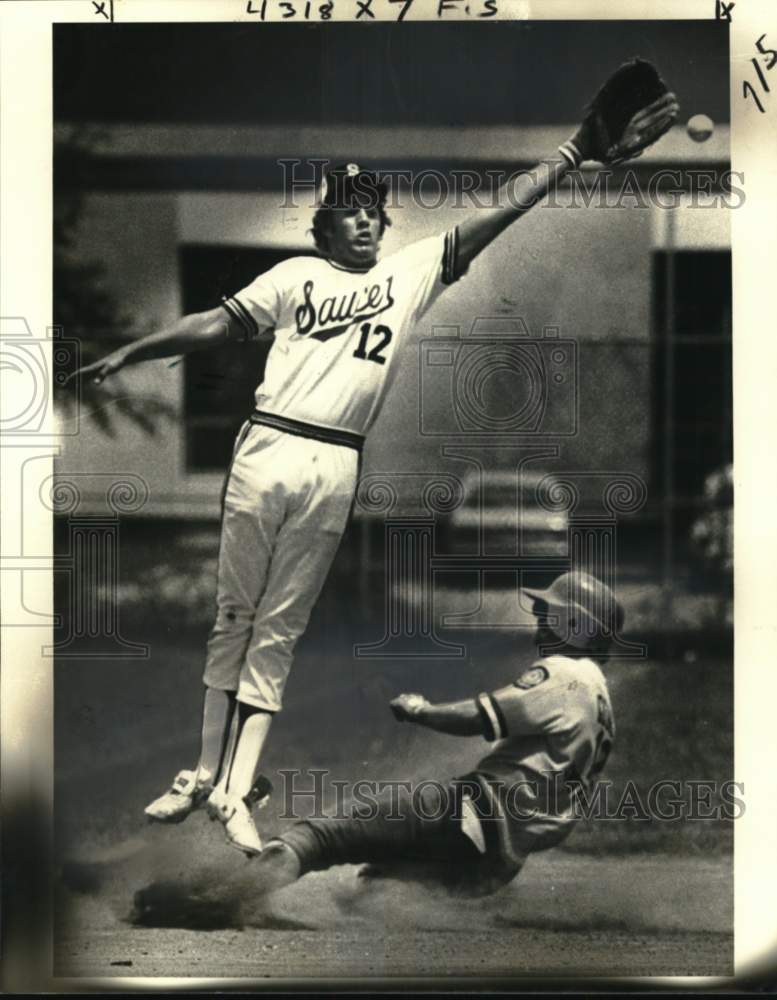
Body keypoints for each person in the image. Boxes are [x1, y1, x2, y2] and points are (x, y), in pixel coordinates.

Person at [70, 72, 676, 856]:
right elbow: (212, 327)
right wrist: (132, 351)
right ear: (321, 227)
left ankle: (233, 791)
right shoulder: (293, 276)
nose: (363, 222)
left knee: (279, 629)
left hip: (336, 461)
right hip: (267, 445)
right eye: (348, 212)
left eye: (372, 212)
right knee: (234, 615)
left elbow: (495, 216)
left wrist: (567, 155)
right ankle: (203, 773)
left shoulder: (406, 275)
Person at [252, 571, 622, 897]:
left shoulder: (563, 674)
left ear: (574, 623)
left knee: (325, 836)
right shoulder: (600, 696)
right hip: (496, 862)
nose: (540, 621)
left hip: (470, 814)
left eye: (548, 614)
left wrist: (420, 711)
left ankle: (229, 893)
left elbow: (477, 717)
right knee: (376, 893)